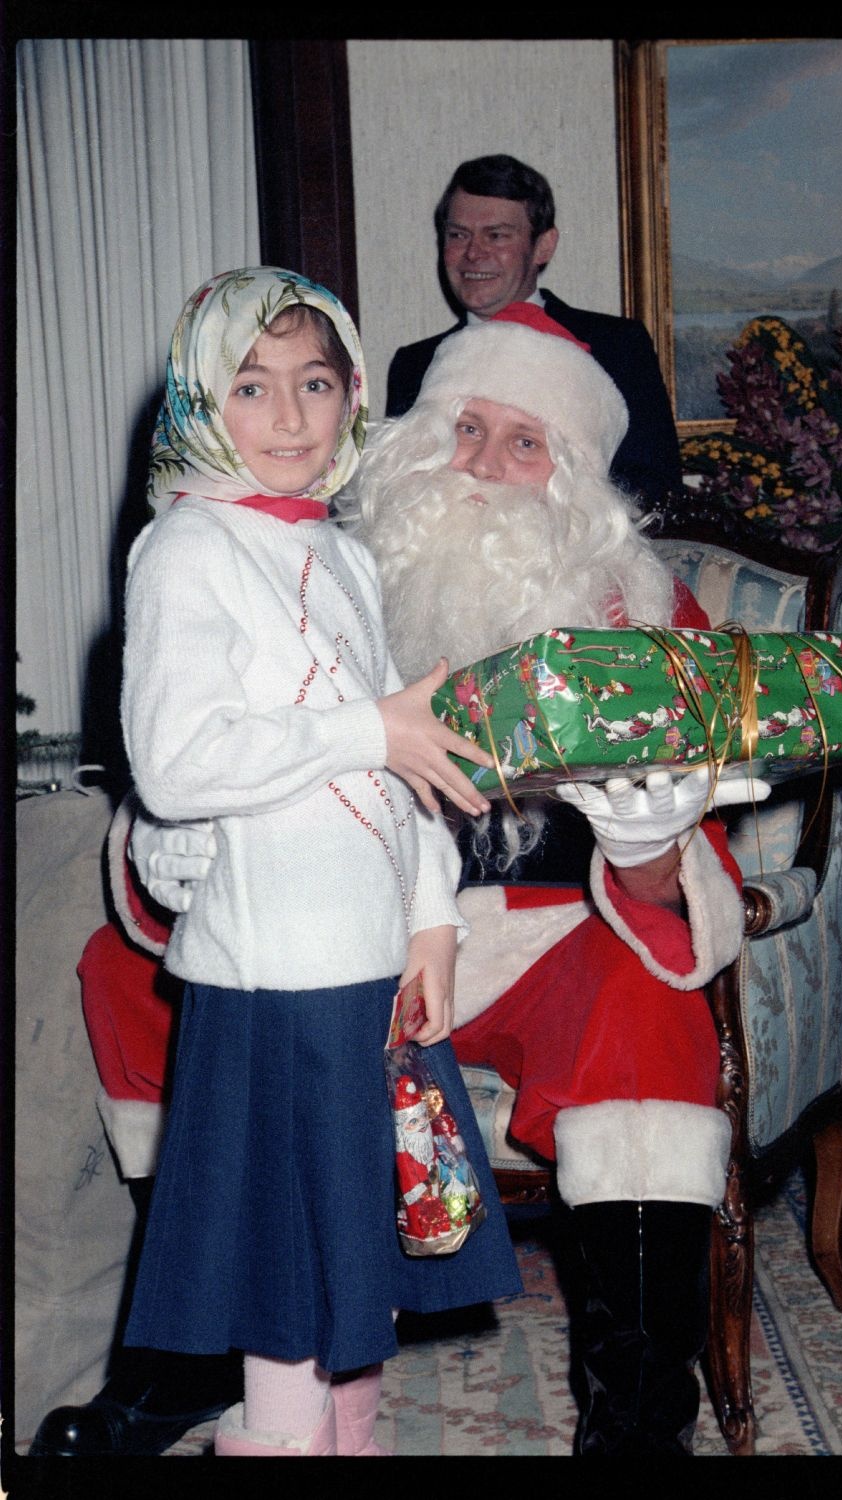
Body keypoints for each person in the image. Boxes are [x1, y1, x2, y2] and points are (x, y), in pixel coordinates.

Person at [85, 266, 523, 1461]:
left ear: (350, 401)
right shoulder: (185, 550)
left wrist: (433, 919)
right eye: (252, 386)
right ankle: (274, 1444)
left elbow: (408, 758)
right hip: (275, 984)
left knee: (364, 1258)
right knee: (284, 1284)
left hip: (376, 974)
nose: (289, 418)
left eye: (315, 384)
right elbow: (176, 766)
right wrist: (362, 729)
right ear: (198, 403)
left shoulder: (348, 556)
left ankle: (351, 1442)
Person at [385, 153, 684, 521]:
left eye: (496, 236)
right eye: (458, 235)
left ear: (544, 246)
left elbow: (655, 490)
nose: (474, 253)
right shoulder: (413, 365)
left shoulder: (617, 346)